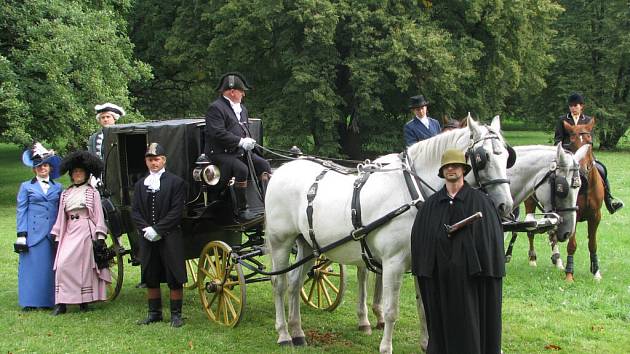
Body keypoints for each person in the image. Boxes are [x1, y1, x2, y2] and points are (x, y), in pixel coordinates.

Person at [411, 149, 505, 354]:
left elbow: (490, 242)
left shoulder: (481, 202)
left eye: (455, 166)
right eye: (447, 166)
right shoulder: (431, 206)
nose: (451, 169)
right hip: (441, 280)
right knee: (443, 323)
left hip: (472, 281)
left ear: (463, 169)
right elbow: (422, 242)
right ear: (442, 171)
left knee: (471, 322)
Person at [204, 72, 271, 222]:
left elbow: (243, 129)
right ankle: (242, 210)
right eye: (242, 91)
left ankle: (267, 204)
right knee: (242, 169)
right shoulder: (215, 108)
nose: (244, 95)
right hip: (220, 153)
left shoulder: (242, 109)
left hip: (238, 152)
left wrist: (249, 141)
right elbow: (217, 133)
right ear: (232, 91)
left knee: (263, 164)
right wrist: (240, 141)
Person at [132, 143, 187, 327]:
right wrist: (146, 229)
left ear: (164, 160)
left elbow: (176, 211)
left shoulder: (176, 182)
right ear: (146, 162)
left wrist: (159, 229)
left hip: (170, 235)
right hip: (147, 236)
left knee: (174, 274)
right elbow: (136, 211)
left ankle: (176, 315)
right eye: (150, 159)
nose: (153, 163)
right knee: (150, 272)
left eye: (157, 159)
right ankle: (154, 313)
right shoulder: (140, 184)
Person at [50, 151, 111, 315]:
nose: (77, 175)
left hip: (85, 230)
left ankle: (84, 301)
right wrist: (57, 234)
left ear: (86, 175)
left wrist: (99, 236)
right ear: (71, 175)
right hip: (69, 229)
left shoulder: (92, 192)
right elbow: (61, 216)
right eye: (75, 172)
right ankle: (62, 302)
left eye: (81, 172)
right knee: (62, 264)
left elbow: (98, 214)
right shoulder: (66, 193)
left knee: (83, 268)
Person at [554, 92, 623, 214]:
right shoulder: (563, 120)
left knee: (602, 169)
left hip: (586, 156)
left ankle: (609, 200)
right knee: (553, 175)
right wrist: (566, 150)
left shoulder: (587, 120)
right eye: (571, 106)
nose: (573, 108)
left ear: (581, 106)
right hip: (567, 155)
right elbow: (558, 139)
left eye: (576, 105)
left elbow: (589, 140)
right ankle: (552, 203)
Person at [15, 143, 63, 311]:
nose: (42, 168)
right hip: (33, 232)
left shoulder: (58, 187)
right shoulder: (26, 186)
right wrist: (21, 234)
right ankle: (29, 301)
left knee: (49, 268)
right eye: (39, 166)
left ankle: (48, 301)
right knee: (31, 268)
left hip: (52, 232)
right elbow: (22, 210)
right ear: (34, 169)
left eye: (45, 165)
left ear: (50, 167)